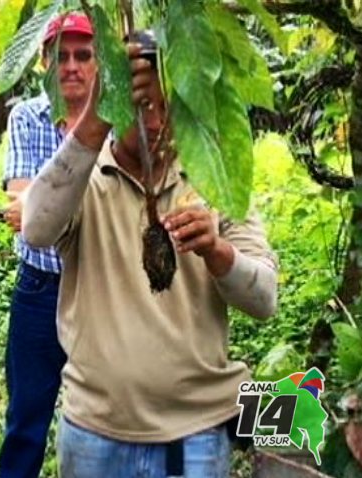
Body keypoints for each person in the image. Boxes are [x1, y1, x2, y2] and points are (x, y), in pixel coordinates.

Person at [22, 33, 278, 477]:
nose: (157, 123)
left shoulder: (214, 180)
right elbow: (37, 229)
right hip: (95, 430)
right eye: (141, 107)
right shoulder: (85, 177)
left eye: (169, 108)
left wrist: (217, 251)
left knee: (300, 424)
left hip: (196, 431)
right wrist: (94, 120)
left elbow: (264, 299)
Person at [0, 12, 98, 478]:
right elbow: (23, 209)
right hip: (41, 288)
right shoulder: (26, 116)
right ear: (43, 61)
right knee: (26, 419)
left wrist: (46, 206)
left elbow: (39, 209)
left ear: (99, 63)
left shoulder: (116, 120)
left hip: (101, 287)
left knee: (103, 412)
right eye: (60, 56)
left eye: (83, 55)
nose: (71, 66)